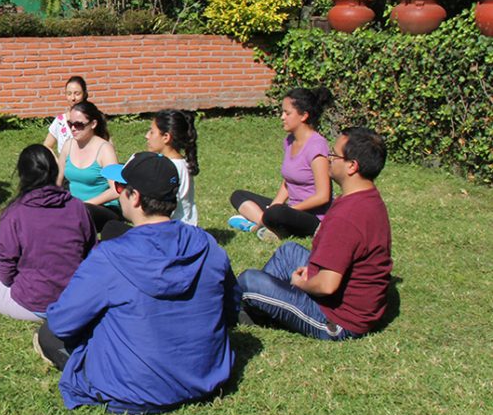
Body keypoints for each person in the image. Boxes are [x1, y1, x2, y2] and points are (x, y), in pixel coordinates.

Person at [37, 153, 239, 414]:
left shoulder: (109, 257)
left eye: (120, 188)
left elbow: (63, 322)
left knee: (48, 334)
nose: (117, 193)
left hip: (136, 388)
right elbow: (230, 309)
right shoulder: (208, 245)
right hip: (206, 377)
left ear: (135, 197)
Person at [237, 127, 392, 340]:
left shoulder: (348, 216)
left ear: (352, 166)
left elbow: (328, 285)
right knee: (288, 252)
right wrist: (313, 270)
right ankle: (257, 311)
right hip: (345, 300)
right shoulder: (368, 198)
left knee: (249, 280)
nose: (328, 159)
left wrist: (302, 284)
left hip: (338, 320)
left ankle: (232, 312)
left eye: (334, 155)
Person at [0, 145, 95, 321]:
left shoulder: (15, 213)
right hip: (75, 301)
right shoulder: (77, 206)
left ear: (22, 174)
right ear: (55, 171)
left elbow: (5, 274)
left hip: (32, 304)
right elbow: (91, 254)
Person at [229, 87, 334, 241]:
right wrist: (275, 205)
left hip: (312, 216)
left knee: (277, 213)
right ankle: (265, 224)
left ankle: (265, 225)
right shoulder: (289, 141)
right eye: (282, 112)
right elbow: (287, 183)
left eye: (287, 113)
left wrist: (288, 209)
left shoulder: (317, 146)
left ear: (304, 116)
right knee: (238, 196)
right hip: (289, 209)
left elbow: (323, 196)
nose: (282, 117)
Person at [103, 110, 201, 241]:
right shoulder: (182, 164)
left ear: (166, 137)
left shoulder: (168, 170)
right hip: (185, 231)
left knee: (111, 228)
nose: (146, 136)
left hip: (168, 235)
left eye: (152, 132)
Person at [56, 101, 121, 232]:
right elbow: (57, 180)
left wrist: (85, 204)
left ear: (93, 124)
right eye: (70, 124)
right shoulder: (68, 145)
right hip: (75, 208)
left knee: (81, 214)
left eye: (78, 124)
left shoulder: (104, 149)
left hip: (103, 208)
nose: (73, 128)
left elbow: (116, 190)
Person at [42, 76, 89, 154]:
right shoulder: (60, 121)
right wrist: (57, 163)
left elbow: (106, 144)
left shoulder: (92, 119)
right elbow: (47, 146)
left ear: (84, 94)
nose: (73, 98)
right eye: (69, 94)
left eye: (77, 94)